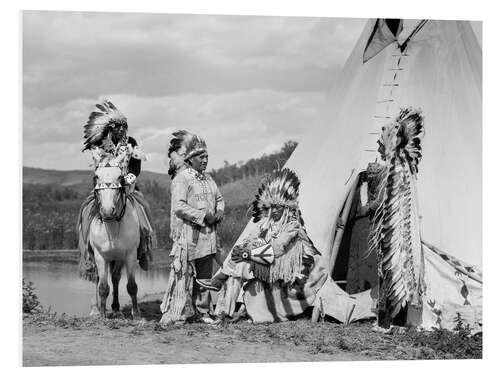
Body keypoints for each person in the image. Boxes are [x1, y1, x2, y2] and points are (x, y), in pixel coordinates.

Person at [200, 168, 327, 323]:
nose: (273, 212)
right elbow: (249, 241)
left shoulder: (293, 226)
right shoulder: (266, 225)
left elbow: (277, 248)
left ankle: (222, 293)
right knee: (241, 254)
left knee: (242, 263)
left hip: (297, 275)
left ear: (287, 208)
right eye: (270, 208)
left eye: (278, 208)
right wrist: (244, 250)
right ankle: (223, 309)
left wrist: (248, 254)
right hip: (273, 266)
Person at [77, 100, 156, 281]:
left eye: (123, 126)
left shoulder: (131, 143)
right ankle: (87, 250)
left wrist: (130, 178)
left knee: (144, 207)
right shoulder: (98, 144)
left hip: (127, 186)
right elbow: (95, 167)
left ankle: (143, 248)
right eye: (117, 126)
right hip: (103, 186)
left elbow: (136, 165)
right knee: (85, 211)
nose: (121, 129)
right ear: (109, 127)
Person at [160, 131, 224, 325]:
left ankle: (203, 312)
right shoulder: (183, 178)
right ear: (191, 159)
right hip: (189, 235)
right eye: (201, 157)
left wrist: (219, 211)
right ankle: (181, 311)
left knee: (205, 275)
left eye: (206, 157)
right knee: (184, 274)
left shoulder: (208, 178)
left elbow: (219, 198)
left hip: (209, 235)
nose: (205, 160)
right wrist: (203, 216)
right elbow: (178, 206)